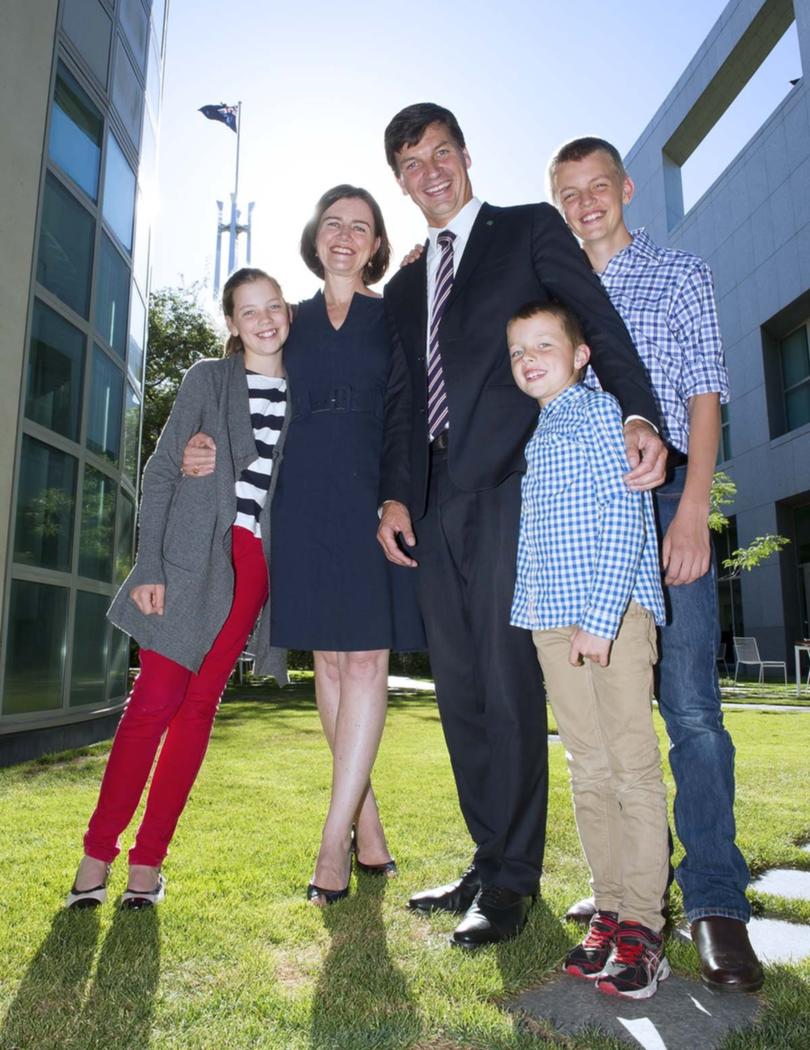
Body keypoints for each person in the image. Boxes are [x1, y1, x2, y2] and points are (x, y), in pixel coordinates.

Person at [377, 102, 666, 949]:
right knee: (460, 692)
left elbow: (596, 324)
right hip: (433, 507)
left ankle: (513, 884)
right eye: (410, 163)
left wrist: (637, 415)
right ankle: (486, 855)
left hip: (514, 485)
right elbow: (403, 401)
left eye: (439, 153)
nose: (428, 171)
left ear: (464, 156)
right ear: (401, 180)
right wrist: (397, 496)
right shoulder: (404, 285)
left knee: (508, 687)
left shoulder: (528, 229)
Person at [548, 136, 763, 992]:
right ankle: (630, 889)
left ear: (627, 188)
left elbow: (705, 392)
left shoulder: (679, 273)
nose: (587, 201)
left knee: (690, 710)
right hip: (585, 518)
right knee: (602, 723)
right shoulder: (557, 293)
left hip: (662, 496)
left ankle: (716, 903)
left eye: (599, 185)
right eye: (570, 192)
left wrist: (694, 509)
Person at [182, 186, 425, 906]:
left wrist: (397, 494)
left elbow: (407, 412)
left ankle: (332, 843)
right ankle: (368, 824)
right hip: (301, 496)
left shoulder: (395, 315)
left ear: (377, 244)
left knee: (367, 661)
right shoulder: (293, 320)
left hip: (371, 493)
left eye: (362, 226)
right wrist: (202, 443)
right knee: (328, 660)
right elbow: (243, 384)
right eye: (334, 224)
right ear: (315, 238)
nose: (346, 236)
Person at [66, 268, 290, 909]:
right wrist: (150, 567)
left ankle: (147, 865)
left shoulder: (305, 392)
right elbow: (163, 471)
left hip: (252, 566)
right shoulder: (207, 379)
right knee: (153, 702)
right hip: (191, 556)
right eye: (249, 311)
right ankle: (95, 857)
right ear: (231, 323)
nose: (265, 319)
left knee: (197, 712)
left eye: (273, 306)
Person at [508, 300, 669, 999]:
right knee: (586, 765)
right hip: (555, 624)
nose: (529, 359)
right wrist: (537, 621)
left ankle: (644, 922)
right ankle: (608, 910)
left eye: (544, 345)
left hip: (614, 615)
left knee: (631, 764)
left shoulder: (604, 415)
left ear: (581, 356)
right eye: (518, 351)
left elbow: (627, 518)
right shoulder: (539, 435)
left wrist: (600, 619)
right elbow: (536, 546)